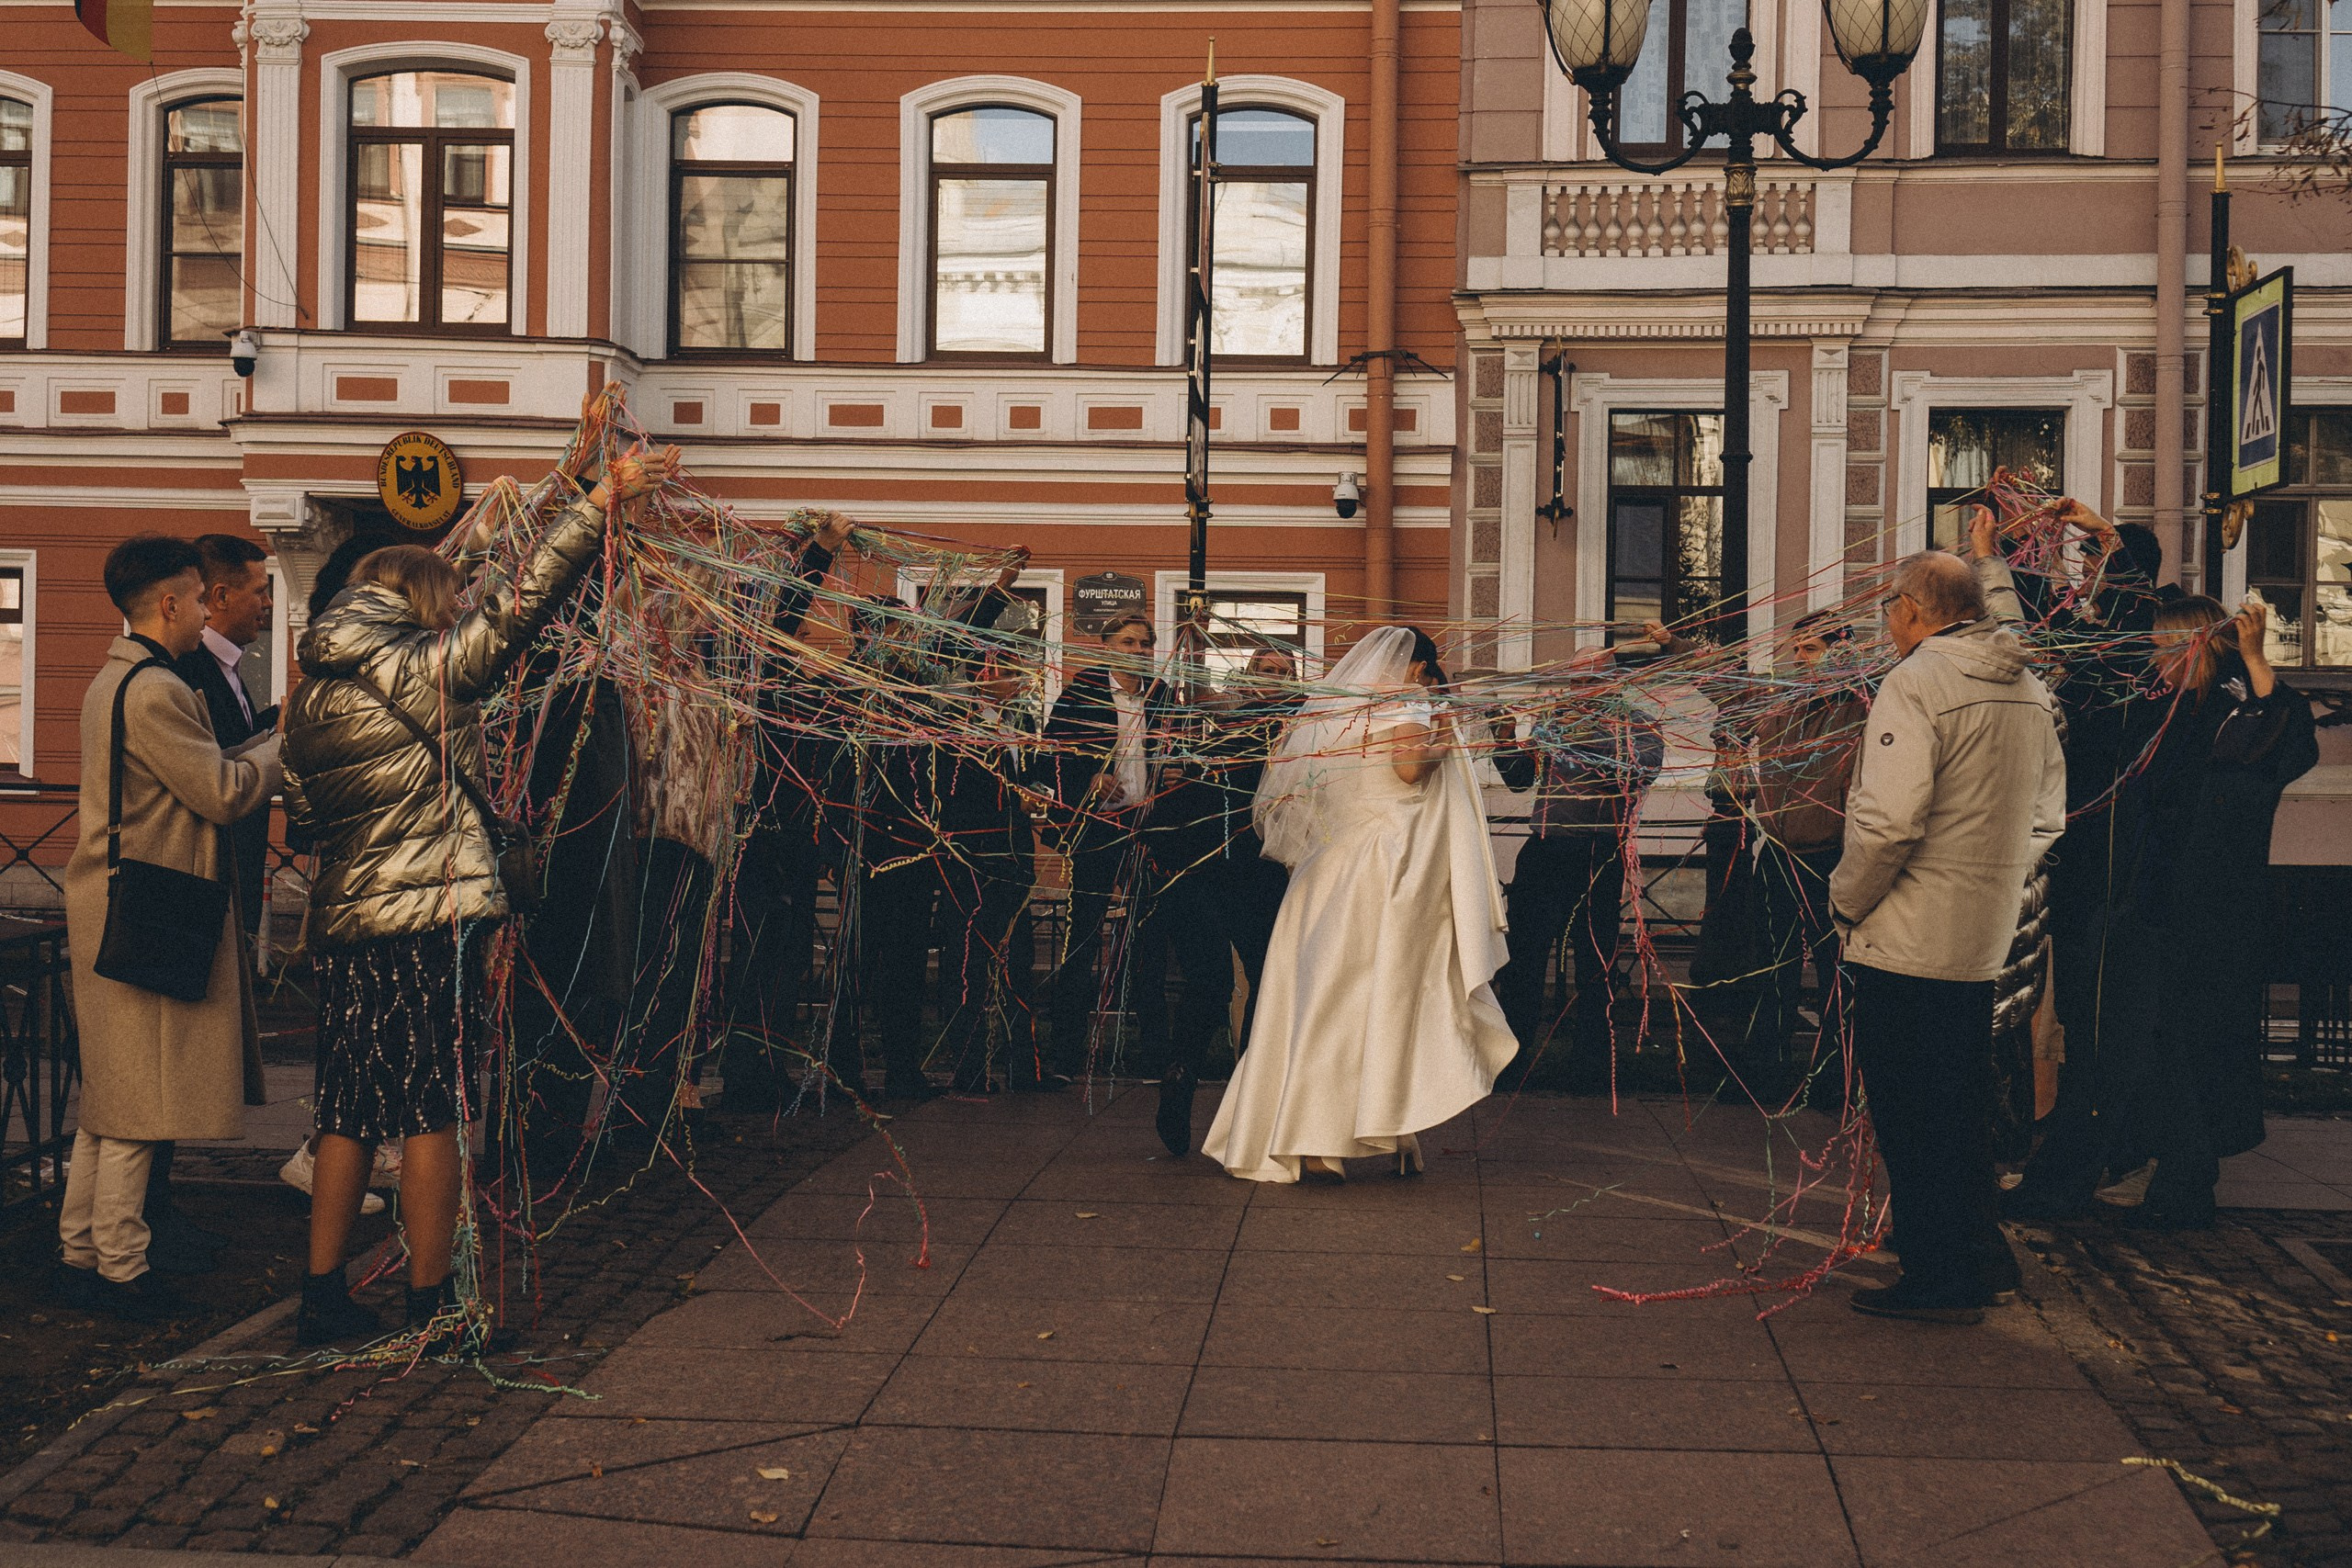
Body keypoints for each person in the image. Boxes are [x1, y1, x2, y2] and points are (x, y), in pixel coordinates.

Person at [282, 444, 676, 1348]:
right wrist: (598, 501)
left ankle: (320, 1295)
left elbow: (302, 818)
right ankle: (431, 1302)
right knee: (430, 1106)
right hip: (430, 918)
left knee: (344, 1107)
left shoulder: (308, 698)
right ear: (420, 603)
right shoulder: (429, 668)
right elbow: (525, 602)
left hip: (347, 922)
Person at [1831, 550, 2065, 1323]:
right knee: (1960, 1107)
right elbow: (2046, 817)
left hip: (1906, 936)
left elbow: (1889, 821)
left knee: (1909, 1112)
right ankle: (1975, 1255)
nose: (1886, 624)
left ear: (1914, 609)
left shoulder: (1916, 681)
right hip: (1980, 939)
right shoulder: (2029, 689)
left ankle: (1936, 1272)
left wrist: (1848, 899)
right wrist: (1992, 878)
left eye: (1890, 609)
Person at [58, 536, 282, 1321]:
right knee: (140, 1102)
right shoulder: (157, 689)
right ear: (170, 604)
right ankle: (123, 1266)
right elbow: (220, 791)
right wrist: (285, 746)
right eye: (197, 597)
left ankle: (81, 1249)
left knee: (111, 1097)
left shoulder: (114, 677)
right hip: (150, 903)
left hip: (116, 898)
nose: (206, 609)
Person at [1202, 626, 1517, 1182]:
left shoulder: (1339, 708)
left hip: (1329, 867)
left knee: (1318, 997)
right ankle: (1339, 1132)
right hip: (1383, 869)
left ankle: (1322, 1130)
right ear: (1419, 668)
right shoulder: (1409, 700)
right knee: (1380, 995)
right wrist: (1449, 736)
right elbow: (1408, 769)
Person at [2113, 597, 2319, 1228]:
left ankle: (2186, 1180)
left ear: (2193, 646)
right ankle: (2177, 1170)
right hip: (2166, 901)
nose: (2157, 659)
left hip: (2216, 913)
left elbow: (2287, 739)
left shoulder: (2235, 707)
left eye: (2166, 647)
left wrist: (2256, 659)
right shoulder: (2178, 710)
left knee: (2194, 1042)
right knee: (2164, 1042)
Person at [1143, 640, 1304, 1155]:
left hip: (1258, 877)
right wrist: (1175, 774)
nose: (1272, 678)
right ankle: (1185, 1076)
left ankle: (1238, 1090)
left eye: (1282, 671)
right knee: (1212, 984)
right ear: (1246, 675)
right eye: (1263, 668)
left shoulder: (1307, 737)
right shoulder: (1216, 729)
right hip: (1202, 873)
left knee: (1263, 981)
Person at [1489, 665, 1666, 1092]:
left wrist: (1578, 734)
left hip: (1597, 853)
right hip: (1546, 848)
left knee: (1595, 961)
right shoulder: (1555, 718)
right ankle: (1511, 1059)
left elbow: (1634, 774)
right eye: (1575, 680)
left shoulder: (1639, 724)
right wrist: (1505, 737)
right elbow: (1519, 780)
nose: (1579, 688)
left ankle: (1591, 1065)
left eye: (1590, 680)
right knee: (1525, 957)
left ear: (1614, 684)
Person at [1039, 610, 1176, 1088]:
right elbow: (1051, 754)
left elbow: (1173, 752)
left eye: (1144, 644)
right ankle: (1065, 1056)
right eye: (1128, 643)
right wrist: (1089, 778)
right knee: (1082, 939)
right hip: (1097, 830)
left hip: (1148, 829)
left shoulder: (1161, 698)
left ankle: (1152, 1057)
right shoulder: (1082, 693)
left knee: (1148, 942)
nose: (1138, 652)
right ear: (1106, 647)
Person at [1742, 613, 1869, 1103]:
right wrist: (1673, 645)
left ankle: (1834, 1077)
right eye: (1796, 649)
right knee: (1771, 968)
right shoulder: (1778, 705)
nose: (1798, 658)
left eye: (1810, 649)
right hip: (1776, 856)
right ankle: (1766, 1074)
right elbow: (1720, 687)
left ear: (1840, 652)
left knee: (1836, 970)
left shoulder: (1862, 709)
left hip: (1832, 858)